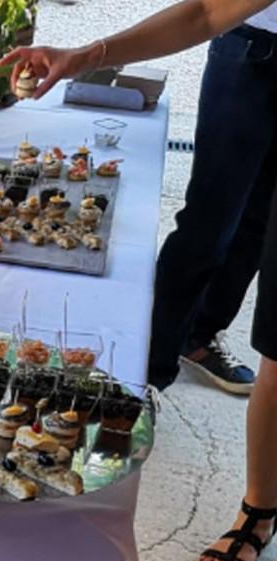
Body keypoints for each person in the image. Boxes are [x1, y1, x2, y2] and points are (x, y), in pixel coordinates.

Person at [0, 0, 277, 561]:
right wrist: (82, 57)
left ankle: (252, 493)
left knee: (250, 247)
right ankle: (153, 382)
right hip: (254, 57)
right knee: (213, 227)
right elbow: (209, 11)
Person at [146, 11, 277, 396]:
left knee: (262, 222)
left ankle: (199, 337)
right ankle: (148, 370)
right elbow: (202, 12)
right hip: (250, 42)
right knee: (209, 219)